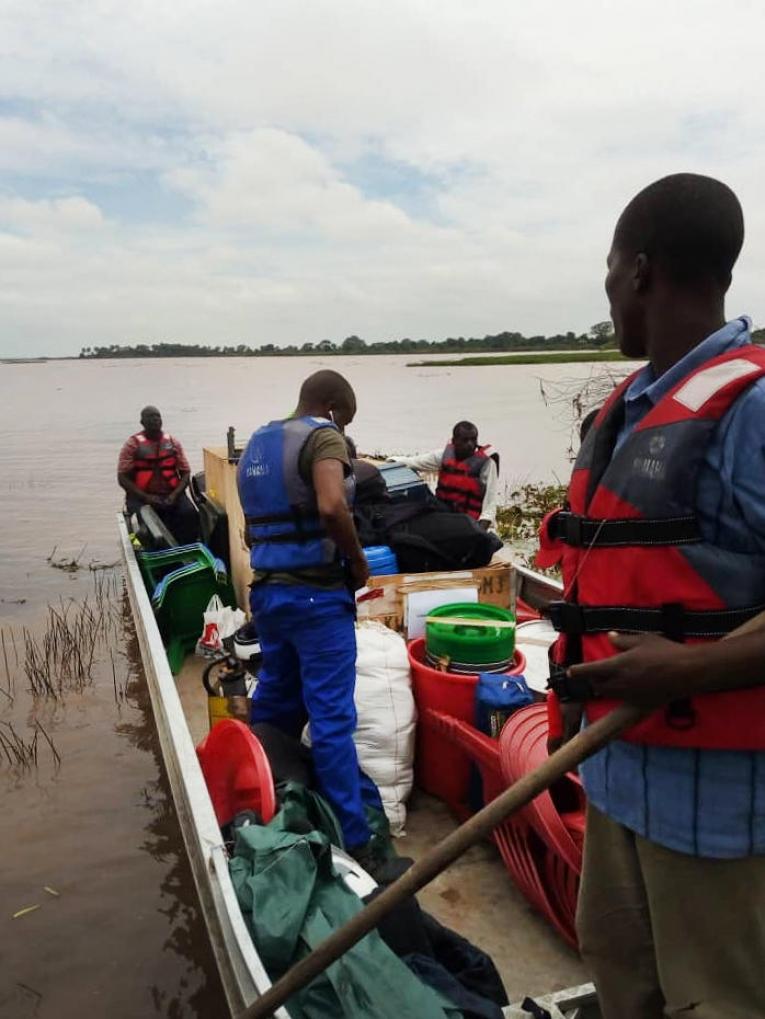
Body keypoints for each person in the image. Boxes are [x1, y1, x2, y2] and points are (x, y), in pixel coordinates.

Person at [537, 173, 765, 1019]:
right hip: (615, 776)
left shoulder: (751, 409)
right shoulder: (630, 409)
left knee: (714, 1000)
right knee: (620, 976)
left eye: (607, 275)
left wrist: (687, 668)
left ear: (638, 271)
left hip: (716, 810)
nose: (606, 298)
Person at [237, 370, 385, 867]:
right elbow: (330, 504)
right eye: (345, 420)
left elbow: (246, 534)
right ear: (335, 409)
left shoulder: (258, 442)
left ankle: (263, 797)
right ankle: (355, 839)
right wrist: (359, 561)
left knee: (276, 701)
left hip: (269, 596)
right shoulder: (323, 436)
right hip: (318, 601)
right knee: (331, 719)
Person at [390, 421, 499, 529]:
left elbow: (490, 504)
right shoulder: (443, 456)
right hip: (444, 514)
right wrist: (391, 461)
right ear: (455, 440)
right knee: (417, 495)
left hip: (469, 521)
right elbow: (414, 462)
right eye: (465, 440)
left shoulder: (487, 464)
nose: (470, 444)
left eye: (473, 439)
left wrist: (479, 532)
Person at [117, 405, 198, 544]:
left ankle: (187, 549)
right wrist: (146, 497)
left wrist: (174, 496)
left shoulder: (173, 443)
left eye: (157, 416)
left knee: (190, 514)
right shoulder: (132, 445)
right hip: (141, 497)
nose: (155, 420)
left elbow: (185, 472)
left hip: (171, 495)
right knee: (146, 529)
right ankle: (150, 554)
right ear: (142, 422)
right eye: (150, 417)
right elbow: (122, 477)